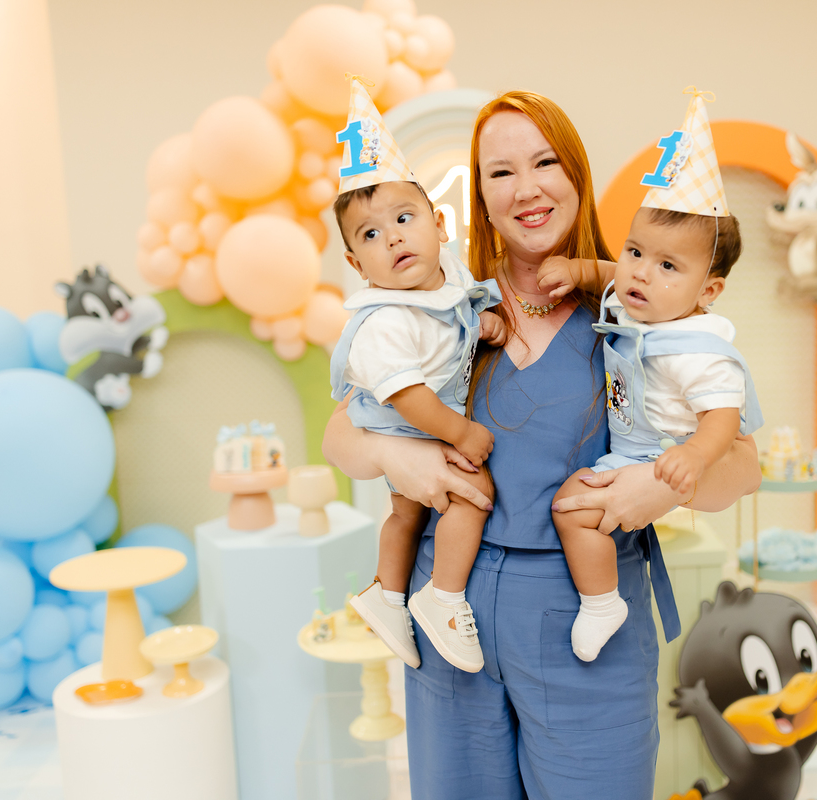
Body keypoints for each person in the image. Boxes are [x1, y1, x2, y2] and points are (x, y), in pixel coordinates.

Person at [323, 89, 761, 800]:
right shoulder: (442, 306)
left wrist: (656, 486)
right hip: (452, 616)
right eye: (501, 172)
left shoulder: (638, 303)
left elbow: (743, 466)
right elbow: (341, 435)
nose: (526, 188)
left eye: (545, 162)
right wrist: (395, 456)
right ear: (478, 197)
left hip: (584, 622)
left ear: (577, 175)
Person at [548, 88, 764, 663]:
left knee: (576, 508)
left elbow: (723, 418)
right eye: (636, 251)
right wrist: (576, 269)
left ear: (708, 291)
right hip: (629, 452)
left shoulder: (698, 349)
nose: (641, 273)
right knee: (572, 507)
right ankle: (603, 601)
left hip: (663, 455)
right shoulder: (636, 300)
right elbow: (610, 275)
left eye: (668, 265)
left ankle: (601, 603)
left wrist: (693, 457)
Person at [329, 77, 505, 674]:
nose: (394, 237)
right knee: (472, 496)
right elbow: (409, 396)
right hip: (406, 425)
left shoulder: (446, 279)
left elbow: (457, 317)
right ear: (356, 263)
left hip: (420, 424)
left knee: (407, 515)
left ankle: (386, 594)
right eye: (371, 235)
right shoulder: (384, 321)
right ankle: (443, 598)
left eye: (404, 218)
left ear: (440, 226)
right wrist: (460, 433)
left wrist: (482, 323)